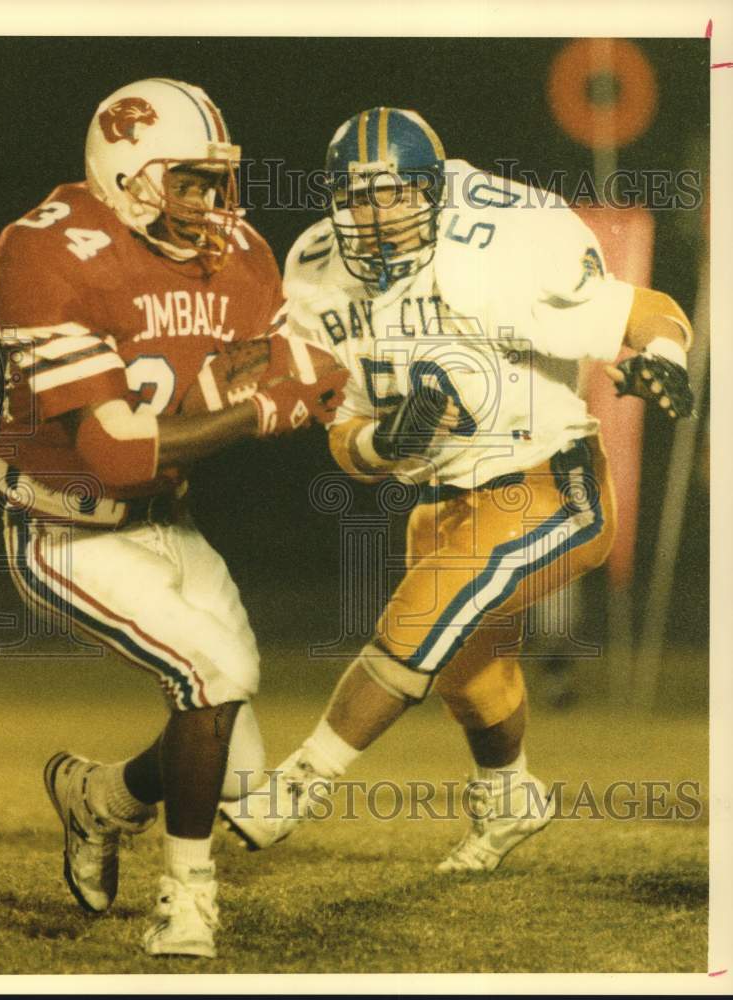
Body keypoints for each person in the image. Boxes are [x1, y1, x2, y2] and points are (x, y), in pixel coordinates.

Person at [220, 107, 695, 872]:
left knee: (426, 609)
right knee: (470, 674)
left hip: (551, 480)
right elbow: (345, 438)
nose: (377, 216)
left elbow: (646, 310)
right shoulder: (315, 271)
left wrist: (666, 358)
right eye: (359, 197)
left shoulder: (498, 245)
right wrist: (392, 441)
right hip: (444, 497)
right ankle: (510, 797)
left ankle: (300, 783)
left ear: (434, 191)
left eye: (398, 194)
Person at [0, 78, 345, 958]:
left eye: (216, 181)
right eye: (187, 181)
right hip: (64, 525)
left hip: (167, 519)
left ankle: (98, 799)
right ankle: (187, 901)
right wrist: (258, 409)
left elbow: (287, 369)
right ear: (125, 171)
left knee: (247, 780)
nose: (211, 204)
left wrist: (334, 392)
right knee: (212, 676)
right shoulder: (48, 249)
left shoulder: (240, 253)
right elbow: (114, 451)